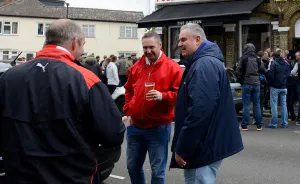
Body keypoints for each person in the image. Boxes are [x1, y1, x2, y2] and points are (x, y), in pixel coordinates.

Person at [0, 19, 125, 184]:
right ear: (74, 43)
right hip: (71, 175)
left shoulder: (9, 76)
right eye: (83, 45)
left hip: (18, 175)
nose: (82, 50)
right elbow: (113, 134)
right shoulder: (86, 79)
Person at [171, 23, 243, 184]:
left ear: (197, 39)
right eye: (179, 40)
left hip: (202, 145)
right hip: (202, 143)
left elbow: (199, 111)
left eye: (183, 40)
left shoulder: (203, 65)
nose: (179, 44)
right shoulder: (203, 62)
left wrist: (183, 148)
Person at [123, 32, 183, 184]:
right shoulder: (136, 67)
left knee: (157, 172)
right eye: (145, 47)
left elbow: (181, 96)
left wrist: (163, 96)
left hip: (159, 127)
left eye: (151, 47)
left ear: (160, 45)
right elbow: (128, 90)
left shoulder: (173, 68)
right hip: (135, 126)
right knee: (132, 167)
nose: (148, 51)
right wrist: (129, 110)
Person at [236, 43, 262, 131]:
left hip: (246, 83)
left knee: (246, 105)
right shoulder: (258, 59)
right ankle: (259, 125)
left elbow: (238, 71)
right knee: (257, 104)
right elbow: (261, 70)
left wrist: (241, 80)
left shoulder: (243, 58)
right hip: (256, 83)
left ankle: (245, 125)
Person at [266, 50, 291, 129]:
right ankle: (284, 123)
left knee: (274, 105)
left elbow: (271, 76)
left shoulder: (274, 64)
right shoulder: (287, 64)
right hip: (283, 87)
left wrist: (269, 83)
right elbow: (288, 75)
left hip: (275, 87)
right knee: (284, 105)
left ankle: (274, 123)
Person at [290, 51, 300, 125]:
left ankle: (299, 119)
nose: (296, 57)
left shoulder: (298, 63)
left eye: (297, 56)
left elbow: (292, 73)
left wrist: (296, 75)